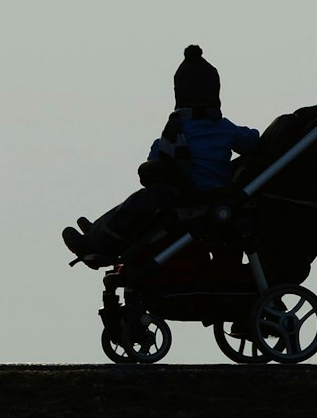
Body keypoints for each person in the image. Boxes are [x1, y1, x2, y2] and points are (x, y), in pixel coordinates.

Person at [62, 45, 261, 263]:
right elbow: (252, 141)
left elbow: (156, 158)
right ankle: (100, 232)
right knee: (143, 204)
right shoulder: (224, 127)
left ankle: (101, 238)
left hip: (190, 197)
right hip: (215, 193)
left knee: (137, 203)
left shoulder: (176, 128)